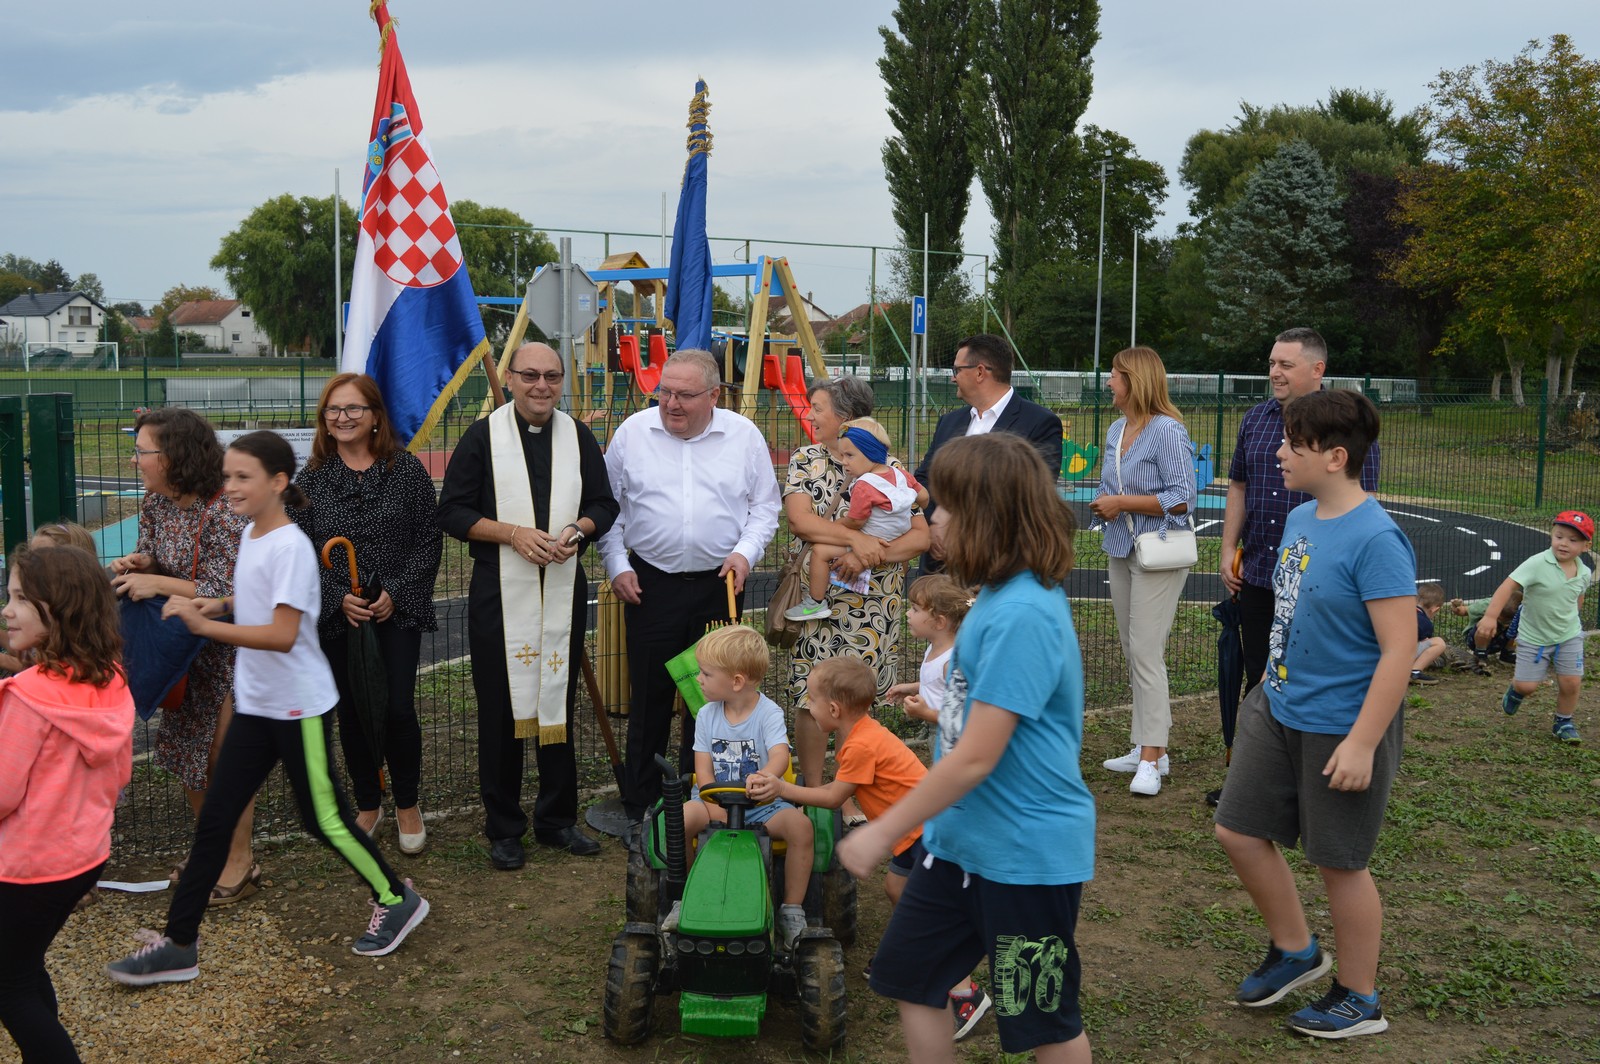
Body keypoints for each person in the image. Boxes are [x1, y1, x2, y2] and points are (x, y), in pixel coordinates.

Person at [107, 431, 429, 987]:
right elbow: (255, 594)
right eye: (227, 476)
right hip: (257, 704)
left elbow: (283, 633)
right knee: (215, 822)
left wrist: (206, 623)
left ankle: (396, 898)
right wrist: (221, 600)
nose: (229, 486)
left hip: (296, 708)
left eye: (242, 478)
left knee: (323, 820)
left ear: (278, 483)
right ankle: (179, 944)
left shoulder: (290, 545)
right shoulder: (254, 533)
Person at [841, 433, 1093, 1063]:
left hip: (1025, 858)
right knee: (909, 978)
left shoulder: (1022, 615)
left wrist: (884, 830)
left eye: (945, 509)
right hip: (960, 846)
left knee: (1042, 1019)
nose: (931, 520)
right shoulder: (991, 601)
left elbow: (979, 755)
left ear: (988, 519)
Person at [1214, 390, 1413, 1040]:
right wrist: (1266, 691)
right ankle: (1297, 951)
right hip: (1278, 704)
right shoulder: (1302, 519)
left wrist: (1361, 743)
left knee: (1339, 863)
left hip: (1341, 725)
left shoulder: (1379, 539)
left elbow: (1398, 652)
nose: (1277, 451)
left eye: (1292, 444)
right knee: (1238, 832)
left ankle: (1360, 999)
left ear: (1334, 456)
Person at [438, 343, 619, 866]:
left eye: (552, 377)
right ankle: (504, 827)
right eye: (531, 376)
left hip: (561, 587)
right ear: (512, 379)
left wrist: (577, 529)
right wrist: (512, 533)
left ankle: (557, 820)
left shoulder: (577, 435)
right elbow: (451, 512)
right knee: (500, 709)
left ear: (562, 382)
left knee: (558, 703)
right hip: (500, 591)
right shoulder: (482, 437)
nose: (542, 386)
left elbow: (604, 505)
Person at [750, 656, 993, 1042]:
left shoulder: (860, 745)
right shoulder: (863, 734)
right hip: (916, 830)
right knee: (897, 890)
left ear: (832, 709)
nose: (808, 708)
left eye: (811, 701)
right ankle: (908, 957)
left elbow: (832, 798)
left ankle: (965, 994)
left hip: (925, 830)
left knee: (926, 908)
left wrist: (782, 789)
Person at [599, 349, 781, 827]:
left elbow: (764, 508)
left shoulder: (743, 437)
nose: (671, 404)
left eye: (684, 395)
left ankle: (705, 800)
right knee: (649, 695)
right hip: (649, 583)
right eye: (664, 392)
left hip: (720, 584)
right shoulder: (632, 435)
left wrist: (744, 554)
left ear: (715, 395)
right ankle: (641, 803)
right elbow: (608, 509)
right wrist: (618, 565)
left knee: (715, 698)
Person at [1214, 327, 1379, 805]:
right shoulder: (1256, 419)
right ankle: (1250, 776)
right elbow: (1239, 486)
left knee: (1303, 672)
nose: (1274, 373)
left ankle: (1308, 776)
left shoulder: (1344, 424)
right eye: (1272, 363)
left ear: (1317, 370)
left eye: (1286, 364)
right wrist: (1229, 549)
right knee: (1257, 673)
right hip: (1262, 572)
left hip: (1316, 581)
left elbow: (1362, 500)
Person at [109, 407, 256, 903]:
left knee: (223, 755)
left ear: (173, 456)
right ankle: (211, 850)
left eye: (142, 451)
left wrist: (155, 580)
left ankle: (240, 860)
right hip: (181, 648)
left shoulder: (223, 507)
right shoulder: (156, 501)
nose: (135, 461)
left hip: (229, 647)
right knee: (193, 754)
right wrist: (141, 561)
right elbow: (153, 549)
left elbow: (227, 589)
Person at [292, 373, 443, 854]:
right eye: (334, 410)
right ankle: (367, 802)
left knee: (396, 707)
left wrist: (396, 592)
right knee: (354, 710)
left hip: (394, 612)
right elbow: (295, 550)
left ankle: (407, 805)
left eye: (354, 408)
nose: (343, 417)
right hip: (340, 615)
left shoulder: (407, 471)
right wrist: (337, 594)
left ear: (375, 416)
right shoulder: (311, 481)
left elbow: (428, 539)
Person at [0, 546, 133, 1062]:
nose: (7, 609)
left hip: (27, 867)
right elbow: (119, 773)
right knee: (23, 966)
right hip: (83, 858)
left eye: (17, 598)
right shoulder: (111, 678)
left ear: (54, 609)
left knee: (8, 986)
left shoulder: (28, 696)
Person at [783, 375, 929, 791]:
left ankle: (848, 793)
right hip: (822, 602)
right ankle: (813, 790)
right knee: (812, 701)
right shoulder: (806, 460)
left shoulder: (890, 466)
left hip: (874, 606)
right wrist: (855, 538)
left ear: (846, 417)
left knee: (858, 705)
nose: (810, 415)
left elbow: (921, 536)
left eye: (819, 408)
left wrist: (864, 554)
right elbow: (800, 521)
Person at [1089, 346, 1196, 798]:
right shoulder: (1117, 429)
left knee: (1147, 652)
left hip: (1160, 550)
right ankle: (1147, 745)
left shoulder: (1167, 430)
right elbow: (1109, 485)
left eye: (1113, 375)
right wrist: (1104, 503)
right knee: (1135, 650)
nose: (1108, 383)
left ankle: (1152, 756)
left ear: (1134, 380)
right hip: (1121, 546)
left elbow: (1182, 497)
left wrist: (1123, 504)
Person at [665, 624, 812, 949]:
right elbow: (702, 767)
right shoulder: (705, 715)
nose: (698, 679)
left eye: (705, 674)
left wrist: (768, 778)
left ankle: (791, 909)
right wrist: (712, 803)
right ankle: (685, 897)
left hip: (762, 805)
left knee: (801, 827)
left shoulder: (768, 714)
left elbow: (779, 756)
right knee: (679, 820)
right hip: (713, 801)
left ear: (736, 681)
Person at [914, 334, 1062, 554]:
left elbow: (1031, 493)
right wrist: (934, 524)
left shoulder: (1039, 423)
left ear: (980, 372)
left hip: (997, 559)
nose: (953, 378)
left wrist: (959, 528)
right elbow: (924, 478)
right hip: (941, 561)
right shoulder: (949, 421)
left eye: (957, 370)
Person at [785, 416, 927, 622]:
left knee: (820, 551)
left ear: (869, 453)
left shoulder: (864, 484)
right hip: (893, 537)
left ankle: (815, 602)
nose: (845, 461)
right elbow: (924, 497)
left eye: (850, 455)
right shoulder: (899, 474)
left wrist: (838, 526)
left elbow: (856, 521)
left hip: (872, 537)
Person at [1482, 510, 1593, 743]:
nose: (1564, 543)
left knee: (1571, 681)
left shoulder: (1584, 571)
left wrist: (1573, 619)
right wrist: (1490, 617)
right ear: (1551, 536)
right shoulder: (1537, 563)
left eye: (1573, 540)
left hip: (1569, 635)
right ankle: (1516, 690)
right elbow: (1507, 586)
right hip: (1534, 637)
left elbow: (1578, 598)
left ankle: (1564, 721)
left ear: (1585, 546)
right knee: (1527, 686)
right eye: (1559, 536)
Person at [0, 524, 100, 675]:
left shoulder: (84, 619)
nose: (31, 563)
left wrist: (4, 660)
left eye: (41, 556)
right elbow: (28, 653)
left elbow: (52, 672)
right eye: (31, 554)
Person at [885, 574, 970, 726]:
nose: (908, 613)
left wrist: (926, 713)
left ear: (939, 622)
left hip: (946, 735)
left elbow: (963, 716)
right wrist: (913, 688)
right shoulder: (934, 647)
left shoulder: (950, 663)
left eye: (915, 609)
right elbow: (940, 685)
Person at [1449, 590, 1522, 674]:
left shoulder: (1523, 611)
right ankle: (1480, 653)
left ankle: (1508, 653)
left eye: (1507, 620)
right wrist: (1457, 607)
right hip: (1476, 638)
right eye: (1500, 617)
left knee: (1519, 628)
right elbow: (1463, 611)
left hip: (1502, 639)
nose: (1504, 623)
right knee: (1487, 624)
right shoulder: (1485, 605)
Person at [1410, 584, 1447, 686]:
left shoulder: (1405, 611)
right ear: (1435, 609)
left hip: (1383, 653)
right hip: (1402, 655)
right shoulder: (1425, 623)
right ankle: (1414, 672)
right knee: (1438, 642)